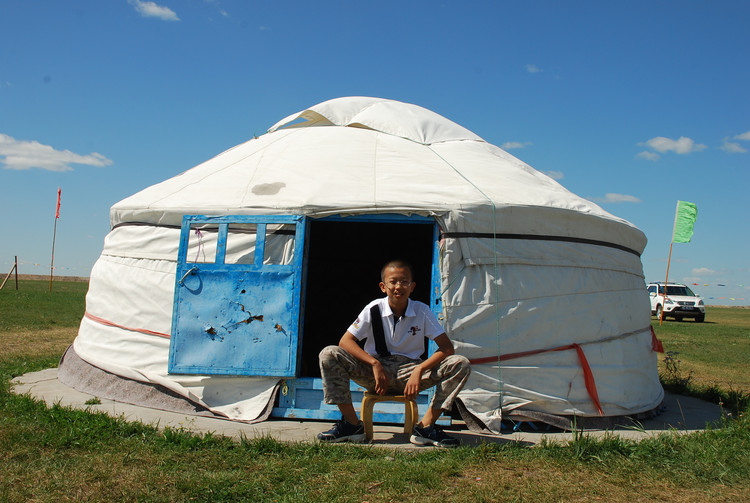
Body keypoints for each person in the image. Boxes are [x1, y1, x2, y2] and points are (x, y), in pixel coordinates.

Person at [317, 259, 471, 447]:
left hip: (410, 374)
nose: (399, 286)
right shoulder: (373, 309)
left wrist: (420, 370)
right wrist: (374, 364)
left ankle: (426, 427)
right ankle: (351, 424)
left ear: (412, 286)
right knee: (329, 354)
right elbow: (345, 341)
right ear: (383, 286)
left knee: (460, 363)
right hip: (375, 374)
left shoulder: (421, 311)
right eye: (393, 281)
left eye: (404, 281)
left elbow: (447, 348)